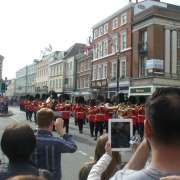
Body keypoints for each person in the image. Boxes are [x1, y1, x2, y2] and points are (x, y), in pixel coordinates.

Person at [89, 87, 180, 180]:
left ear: (147, 130)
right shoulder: (98, 107)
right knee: (97, 128)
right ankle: (95, 134)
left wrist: (145, 143)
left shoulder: (122, 178)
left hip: (139, 123)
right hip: (99, 118)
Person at [31, 108, 77, 180]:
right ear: (52, 124)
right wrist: (62, 132)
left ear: (37, 122)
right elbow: (73, 147)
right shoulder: (57, 142)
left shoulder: (29, 139)